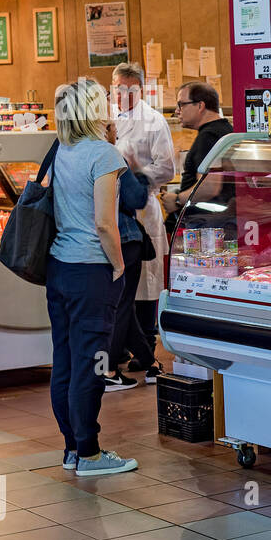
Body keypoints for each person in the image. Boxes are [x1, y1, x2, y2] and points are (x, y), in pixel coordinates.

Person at [44, 79, 139, 477]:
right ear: (93, 111)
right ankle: (91, 453)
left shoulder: (58, 151)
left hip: (59, 269)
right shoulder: (103, 154)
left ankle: (71, 447)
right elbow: (105, 223)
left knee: (64, 361)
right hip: (91, 272)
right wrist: (117, 264)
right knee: (95, 362)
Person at [111, 63, 175, 382]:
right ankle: (120, 347)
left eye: (129, 90)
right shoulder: (106, 118)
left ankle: (146, 344)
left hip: (142, 205)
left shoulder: (153, 121)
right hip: (111, 207)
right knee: (121, 286)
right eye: (117, 89)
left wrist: (134, 175)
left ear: (139, 90)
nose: (122, 96)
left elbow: (167, 167)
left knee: (145, 283)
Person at [100, 115, 156, 392]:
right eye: (113, 127)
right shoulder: (112, 156)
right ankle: (108, 370)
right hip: (124, 238)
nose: (116, 132)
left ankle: (148, 361)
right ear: (106, 130)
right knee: (121, 306)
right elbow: (136, 198)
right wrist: (139, 171)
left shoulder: (72, 153)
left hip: (97, 242)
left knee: (121, 304)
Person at [161, 81, 232, 231]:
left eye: (181, 104)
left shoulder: (209, 136)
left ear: (200, 106)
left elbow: (210, 186)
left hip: (206, 225)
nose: (177, 110)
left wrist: (178, 200)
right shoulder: (224, 130)